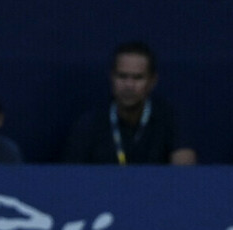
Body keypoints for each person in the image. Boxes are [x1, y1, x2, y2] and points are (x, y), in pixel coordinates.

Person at [62, 41, 196, 165]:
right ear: (111, 77)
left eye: (138, 77)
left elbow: (185, 174)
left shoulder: (171, 120)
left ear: (152, 81)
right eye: (122, 76)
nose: (129, 85)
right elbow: (72, 175)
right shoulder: (89, 124)